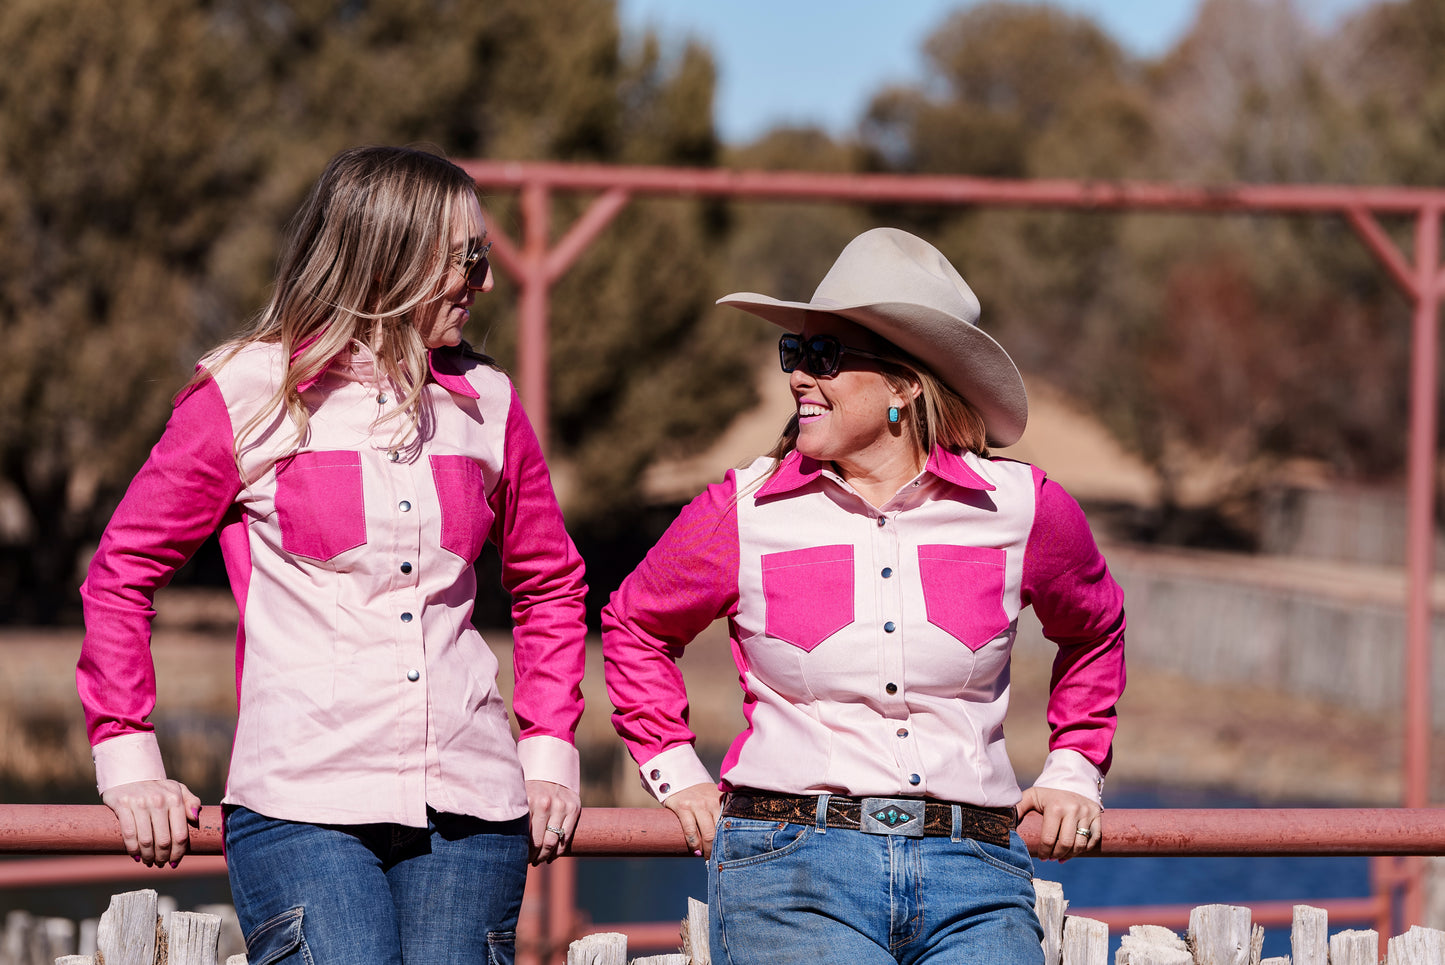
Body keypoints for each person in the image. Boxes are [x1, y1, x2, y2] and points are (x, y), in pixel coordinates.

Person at [76, 145, 588, 965]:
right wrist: (128, 756)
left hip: (475, 811)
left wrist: (549, 749)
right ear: (392, 255)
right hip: (298, 806)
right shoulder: (249, 391)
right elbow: (121, 571)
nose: (486, 281)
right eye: (469, 258)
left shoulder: (490, 404)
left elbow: (552, 584)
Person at [602, 227, 1126, 964]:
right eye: (793, 352)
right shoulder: (743, 508)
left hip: (975, 875)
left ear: (904, 385)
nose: (795, 378)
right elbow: (634, 623)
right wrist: (673, 767)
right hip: (790, 870)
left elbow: (1095, 628)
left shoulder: (1022, 506)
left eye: (824, 357)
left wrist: (1074, 768)